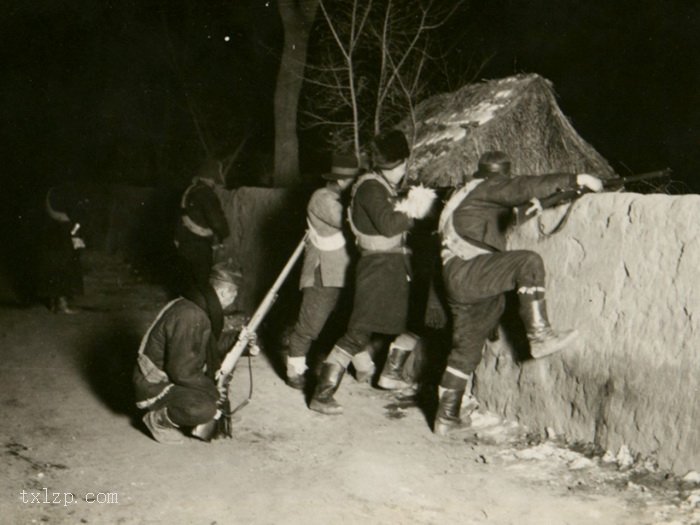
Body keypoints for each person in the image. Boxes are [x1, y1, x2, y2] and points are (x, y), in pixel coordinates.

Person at [433, 150, 603, 436]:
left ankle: (446, 417)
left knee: (466, 349)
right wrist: (577, 177)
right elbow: (523, 188)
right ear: (500, 177)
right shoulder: (487, 187)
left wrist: (565, 195)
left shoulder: (465, 195)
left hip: (460, 278)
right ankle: (539, 334)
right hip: (470, 269)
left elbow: (518, 212)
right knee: (528, 261)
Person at [309, 129, 436, 415]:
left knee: (416, 321)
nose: (404, 172)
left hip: (391, 268)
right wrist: (414, 207)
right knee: (356, 334)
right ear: (398, 163)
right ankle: (322, 394)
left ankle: (390, 373)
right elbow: (390, 225)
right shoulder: (370, 188)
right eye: (403, 166)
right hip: (377, 271)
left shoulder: (381, 187)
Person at [133, 264, 244, 444]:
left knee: (213, 388)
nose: (235, 299)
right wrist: (212, 390)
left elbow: (210, 344)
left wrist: (241, 341)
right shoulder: (191, 315)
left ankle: (191, 412)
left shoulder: (197, 304)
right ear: (223, 293)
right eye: (235, 294)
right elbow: (181, 371)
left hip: (172, 375)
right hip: (156, 384)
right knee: (203, 408)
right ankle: (158, 420)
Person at [285, 153, 361, 390]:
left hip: (345, 271)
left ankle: (359, 365)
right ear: (339, 181)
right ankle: (294, 370)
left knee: (354, 321)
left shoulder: (341, 198)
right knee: (310, 324)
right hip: (323, 272)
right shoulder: (322, 198)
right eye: (352, 181)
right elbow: (348, 221)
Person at [174, 158, 230, 292]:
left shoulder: (189, 191)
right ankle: (213, 313)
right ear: (212, 177)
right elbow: (216, 222)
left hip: (183, 243)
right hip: (199, 247)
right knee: (204, 287)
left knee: (188, 285)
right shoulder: (206, 193)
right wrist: (225, 234)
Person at [36, 183, 89, 314]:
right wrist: (74, 231)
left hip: (57, 229)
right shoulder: (64, 191)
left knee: (57, 263)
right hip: (62, 229)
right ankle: (61, 303)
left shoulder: (54, 190)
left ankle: (56, 302)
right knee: (64, 264)